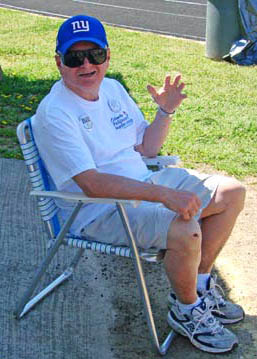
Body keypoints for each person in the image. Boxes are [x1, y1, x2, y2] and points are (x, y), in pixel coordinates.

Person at [32, 14, 246, 354]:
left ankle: (201, 284)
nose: (86, 65)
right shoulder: (55, 112)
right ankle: (187, 309)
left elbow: (147, 148)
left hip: (143, 183)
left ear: (107, 56)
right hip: (97, 212)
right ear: (59, 62)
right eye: (74, 58)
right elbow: (92, 184)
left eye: (95, 55)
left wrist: (165, 112)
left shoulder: (112, 89)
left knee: (232, 193)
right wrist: (163, 195)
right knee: (185, 227)